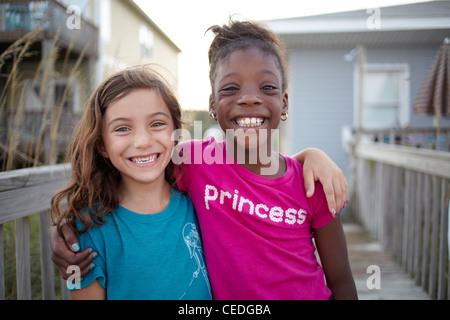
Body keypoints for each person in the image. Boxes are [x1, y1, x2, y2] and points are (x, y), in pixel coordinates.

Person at [51, 20, 353, 300]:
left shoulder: (313, 182)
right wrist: (66, 229)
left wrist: (314, 155)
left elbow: (341, 282)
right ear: (212, 104)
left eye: (267, 87)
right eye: (231, 88)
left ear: (284, 101)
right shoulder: (194, 161)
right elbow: (134, 164)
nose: (249, 98)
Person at [50, 66, 212, 300]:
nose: (143, 141)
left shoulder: (201, 205)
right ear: (102, 145)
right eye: (122, 128)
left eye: (157, 124)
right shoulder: (88, 232)